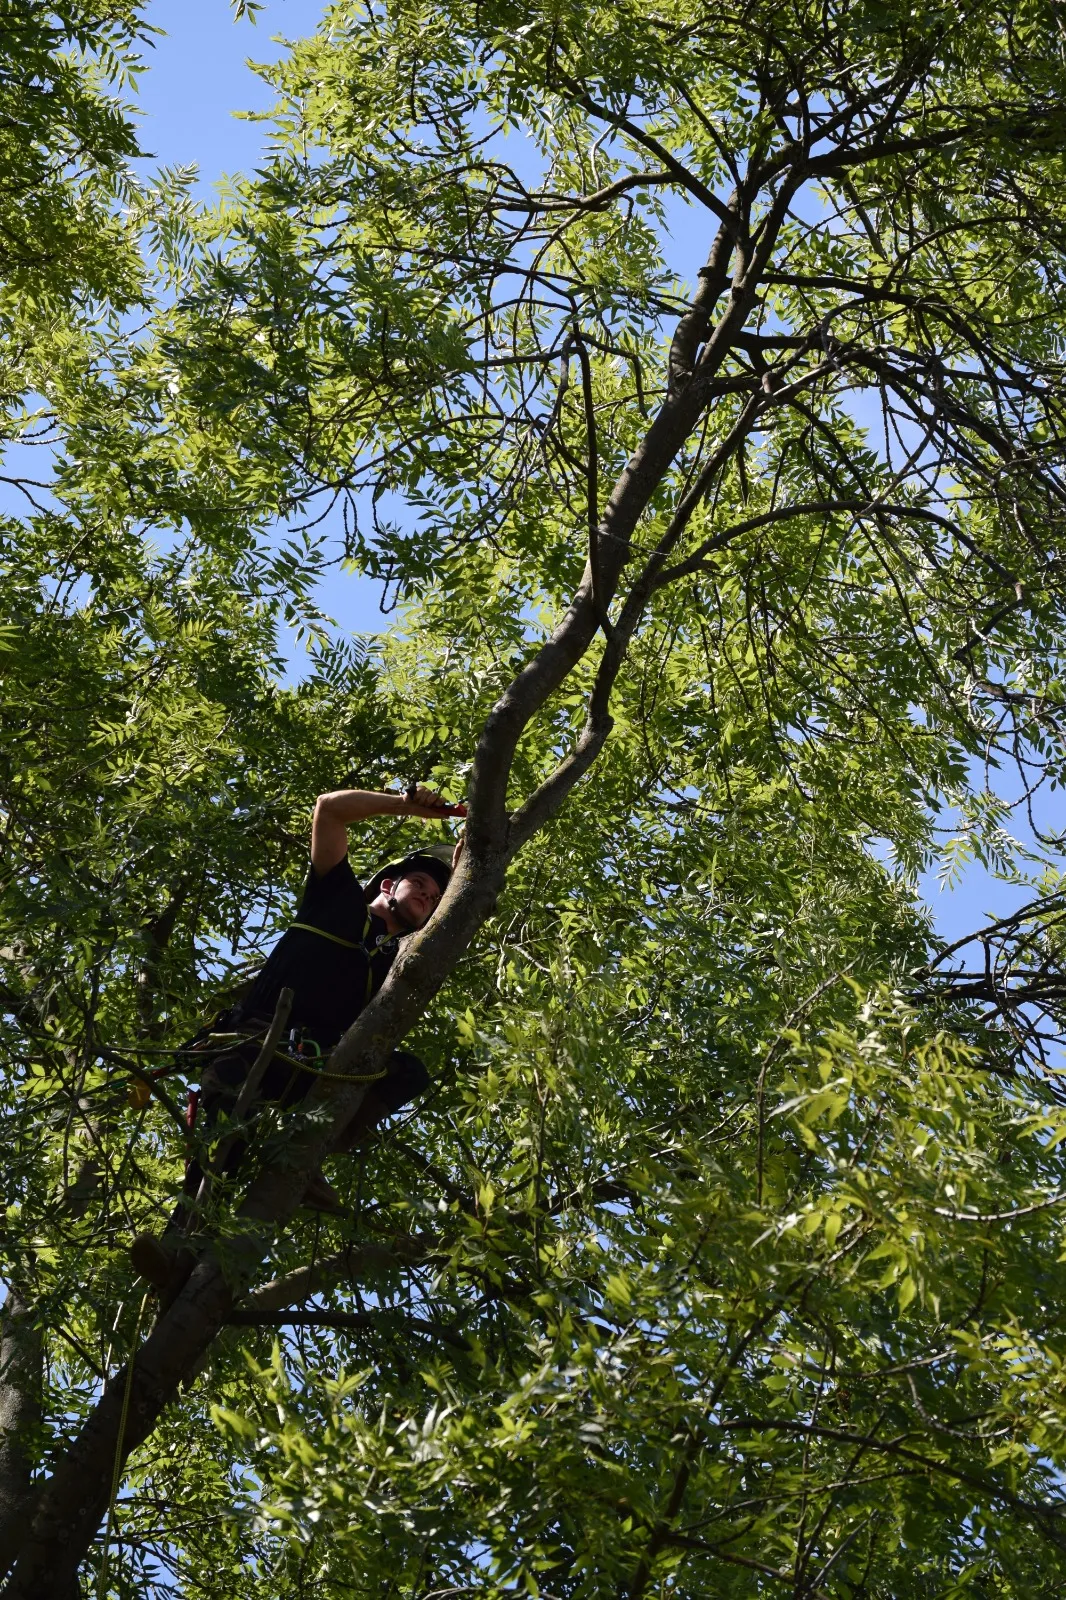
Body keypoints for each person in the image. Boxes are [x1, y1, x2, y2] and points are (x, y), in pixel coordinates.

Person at [130, 784, 464, 1292]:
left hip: (315, 1066)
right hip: (253, 1044)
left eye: (435, 897)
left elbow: (456, 921)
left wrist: (468, 868)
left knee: (406, 1071)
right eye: (420, 884)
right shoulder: (335, 901)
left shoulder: (399, 965)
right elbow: (329, 809)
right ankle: (180, 1253)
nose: (426, 896)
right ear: (389, 883)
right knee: (225, 1141)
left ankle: (311, 1153)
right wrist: (405, 804)